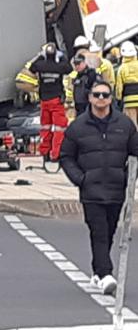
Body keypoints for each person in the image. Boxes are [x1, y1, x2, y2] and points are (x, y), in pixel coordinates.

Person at [60, 81, 138, 295]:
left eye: (105, 95)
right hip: (91, 191)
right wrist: (81, 179)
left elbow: (135, 155)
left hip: (116, 189)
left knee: (110, 230)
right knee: (99, 232)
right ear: (90, 98)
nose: (101, 99)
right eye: (97, 95)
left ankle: (97, 270)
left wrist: (128, 178)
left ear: (111, 98)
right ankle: (105, 274)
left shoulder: (125, 124)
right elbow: (66, 156)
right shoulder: (78, 127)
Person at [29, 43, 72, 162]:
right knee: (60, 128)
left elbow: (32, 67)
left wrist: (40, 56)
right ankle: (55, 154)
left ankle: (45, 152)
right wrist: (62, 57)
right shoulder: (60, 66)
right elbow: (69, 69)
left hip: (44, 101)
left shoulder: (41, 65)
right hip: (56, 100)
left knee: (45, 128)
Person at [116, 41, 138, 129]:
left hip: (129, 100)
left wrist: (118, 98)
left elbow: (119, 86)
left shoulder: (121, 68)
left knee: (133, 124)